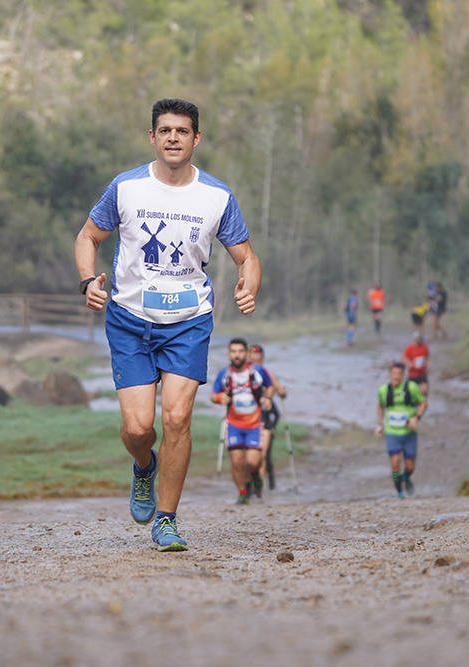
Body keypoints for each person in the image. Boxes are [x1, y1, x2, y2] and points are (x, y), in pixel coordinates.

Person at [74, 98, 262, 551]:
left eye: (182, 131)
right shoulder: (126, 189)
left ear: (196, 139)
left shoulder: (216, 196)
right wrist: (87, 282)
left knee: (177, 418)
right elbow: (88, 237)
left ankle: (167, 519)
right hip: (130, 320)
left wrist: (248, 284)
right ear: (153, 138)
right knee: (140, 429)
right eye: (165, 130)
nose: (173, 138)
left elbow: (247, 256)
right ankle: (144, 466)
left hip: (189, 320)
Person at [211, 338, 273, 504]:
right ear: (229, 354)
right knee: (237, 462)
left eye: (240, 351)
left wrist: (267, 398)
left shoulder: (257, 370)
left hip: (254, 424)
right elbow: (213, 394)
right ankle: (243, 492)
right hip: (233, 424)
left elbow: (270, 386)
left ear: (246, 353)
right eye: (233, 352)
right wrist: (219, 398)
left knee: (253, 462)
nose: (236, 355)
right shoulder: (224, 374)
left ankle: (254, 476)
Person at [375, 361, 427, 499]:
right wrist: (380, 424)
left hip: (409, 434)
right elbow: (380, 406)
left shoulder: (411, 388)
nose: (396, 376)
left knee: (410, 466)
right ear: (389, 374)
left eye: (399, 374)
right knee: (395, 462)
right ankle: (400, 493)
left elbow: (423, 403)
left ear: (403, 375)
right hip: (392, 433)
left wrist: (416, 418)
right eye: (394, 373)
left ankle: (406, 477)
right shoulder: (383, 390)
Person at [248, 343, 287, 490]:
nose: (254, 357)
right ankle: (254, 486)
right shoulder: (245, 372)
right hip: (252, 413)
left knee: (265, 453)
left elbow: (280, 390)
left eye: (257, 355)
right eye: (252, 354)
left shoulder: (268, 373)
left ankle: (266, 486)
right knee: (252, 453)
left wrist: (280, 391)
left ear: (262, 357)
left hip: (268, 413)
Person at [402, 331, 430, 395]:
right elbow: (404, 358)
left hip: (422, 374)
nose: (419, 340)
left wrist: (427, 363)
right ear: (415, 339)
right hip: (413, 374)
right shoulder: (410, 348)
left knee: (425, 391)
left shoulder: (425, 347)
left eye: (420, 338)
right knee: (405, 392)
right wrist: (408, 363)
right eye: (417, 339)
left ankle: (422, 402)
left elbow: (427, 357)